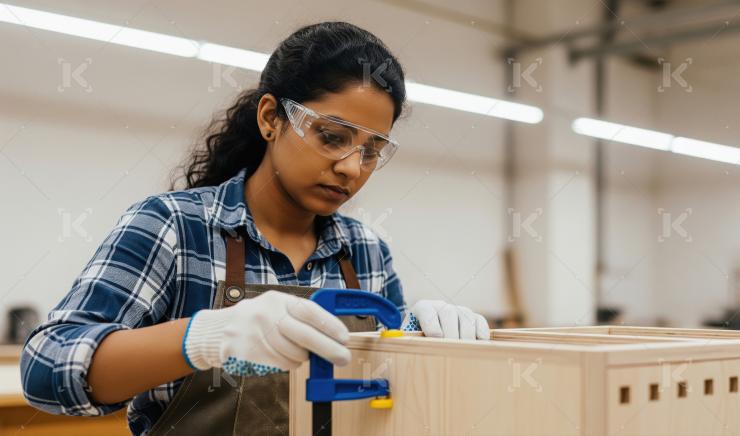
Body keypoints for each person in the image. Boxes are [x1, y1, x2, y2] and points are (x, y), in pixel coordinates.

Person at [19, 21, 490, 435]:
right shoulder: (177, 227)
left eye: (371, 151)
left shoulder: (365, 251)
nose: (351, 167)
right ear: (271, 118)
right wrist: (207, 337)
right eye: (332, 137)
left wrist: (421, 339)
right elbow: (47, 367)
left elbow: (387, 389)